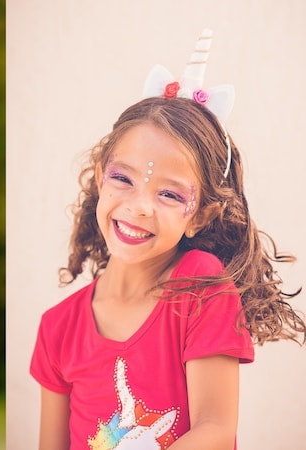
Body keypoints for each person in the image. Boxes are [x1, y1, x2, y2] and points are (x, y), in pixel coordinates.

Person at [30, 30, 306, 450]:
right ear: (101, 177)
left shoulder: (201, 287)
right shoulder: (58, 327)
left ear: (200, 216)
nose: (140, 206)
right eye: (123, 178)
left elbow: (215, 428)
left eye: (170, 194)